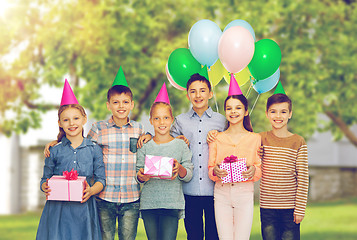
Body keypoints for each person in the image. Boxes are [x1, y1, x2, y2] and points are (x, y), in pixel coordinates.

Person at [43, 68, 151, 240]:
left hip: (131, 197)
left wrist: (148, 136)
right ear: (108, 105)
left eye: (125, 102)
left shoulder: (139, 129)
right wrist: (57, 141)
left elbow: (148, 146)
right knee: (105, 237)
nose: (121, 106)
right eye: (116, 102)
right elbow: (80, 143)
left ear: (132, 104)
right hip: (105, 198)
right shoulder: (99, 129)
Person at [37, 80, 106, 240]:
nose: (71, 123)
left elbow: (101, 180)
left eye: (75, 118)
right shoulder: (54, 151)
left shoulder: (94, 149)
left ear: (84, 119)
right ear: (60, 123)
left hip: (83, 210)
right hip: (57, 211)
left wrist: (91, 190)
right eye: (66, 120)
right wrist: (45, 186)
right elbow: (44, 180)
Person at [171, 73, 226, 240]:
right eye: (193, 91)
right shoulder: (180, 121)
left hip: (215, 190)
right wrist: (177, 141)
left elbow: (233, 142)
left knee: (214, 235)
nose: (198, 95)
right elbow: (165, 142)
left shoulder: (222, 121)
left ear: (210, 94)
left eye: (202, 90)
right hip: (189, 189)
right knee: (193, 234)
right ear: (188, 95)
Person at [136, 83, 194, 240]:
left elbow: (188, 175)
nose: (162, 122)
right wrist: (142, 176)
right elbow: (138, 174)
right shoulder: (145, 145)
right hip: (149, 204)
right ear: (151, 121)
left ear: (172, 120)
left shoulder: (181, 145)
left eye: (166, 118)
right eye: (157, 118)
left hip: (171, 204)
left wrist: (179, 168)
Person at [207, 77, 261, 240]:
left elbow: (259, 169)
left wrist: (254, 171)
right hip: (221, 193)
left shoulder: (255, 138)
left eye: (238, 108)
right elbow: (211, 170)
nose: (233, 112)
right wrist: (215, 171)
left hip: (244, 193)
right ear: (225, 112)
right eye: (229, 108)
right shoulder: (216, 138)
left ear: (245, 111)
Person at [259, 92, 309, 240]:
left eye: (283, 111)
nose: (278, 116)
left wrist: (300, 209)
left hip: (290, 209)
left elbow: (303, 178)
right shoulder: (260, 139)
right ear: (267, 114)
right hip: (267, 208)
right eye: (273, 111)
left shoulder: (298, 141)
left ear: (290, 114)